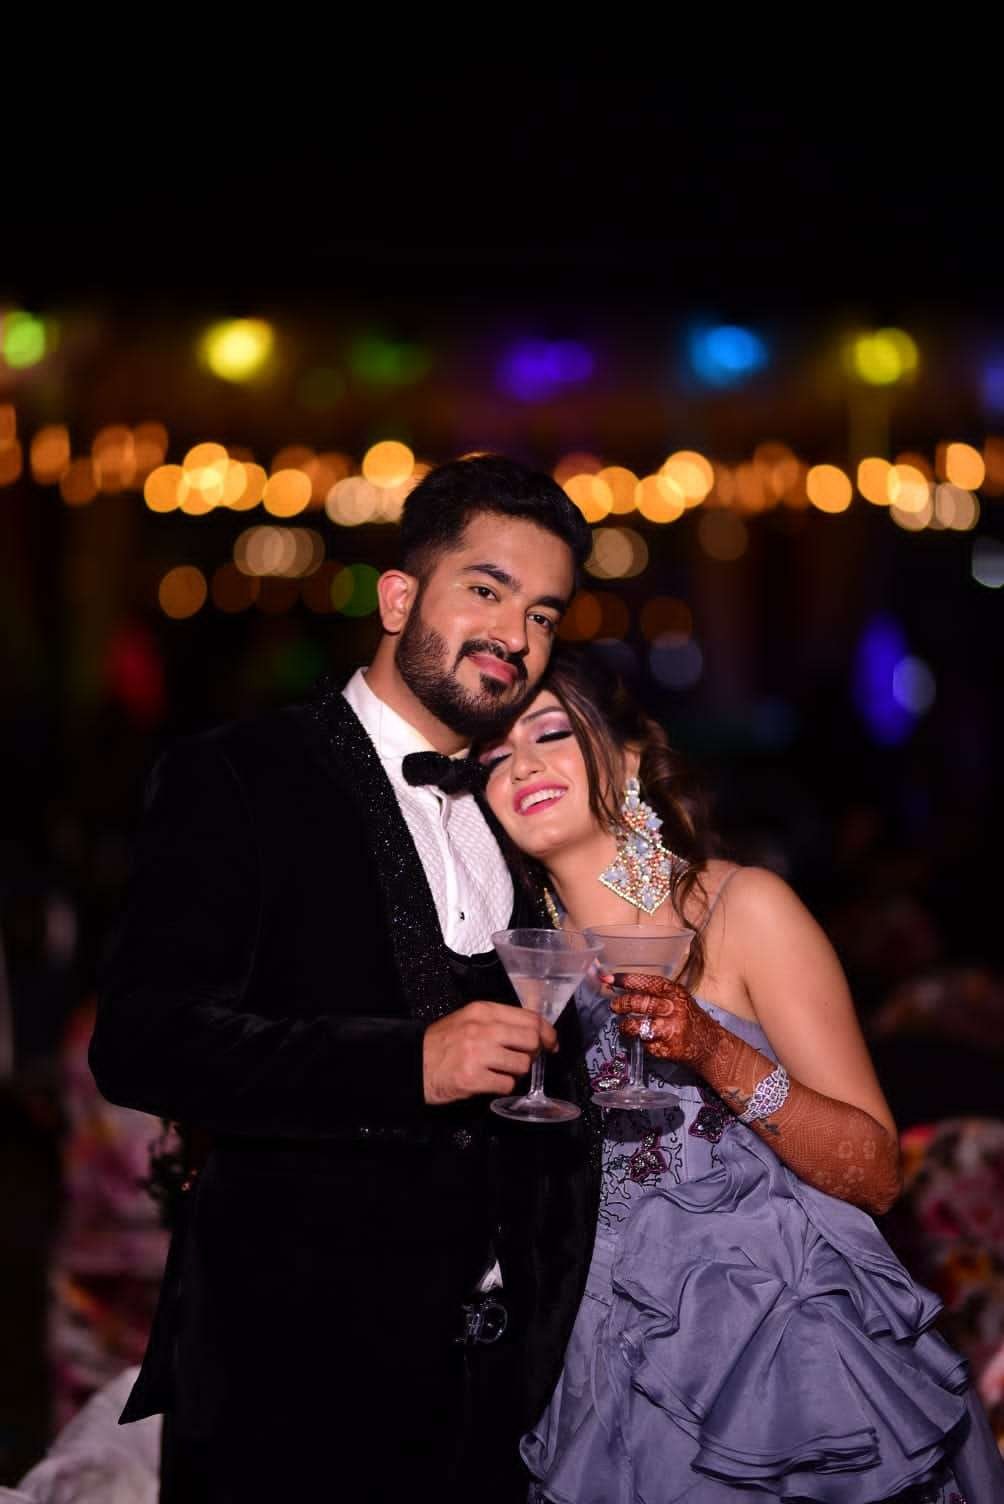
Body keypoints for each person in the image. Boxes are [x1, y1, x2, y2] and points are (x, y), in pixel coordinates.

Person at [87, 456, 600, 1503]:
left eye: (543, 614)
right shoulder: (240, 775)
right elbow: (142, 1040)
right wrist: (405, 1064)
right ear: (399, 596)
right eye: (487, 589)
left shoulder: (522, 809)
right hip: (291, 1381)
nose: (514, 634)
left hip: (499, 1395)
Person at [477, 649, 1004, 1504]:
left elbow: (874, 1172)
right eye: (494, 756)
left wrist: (714, 1050)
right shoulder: (507, 968)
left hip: (782, 1359)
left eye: (549, 733)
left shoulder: (740, 910)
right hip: (588, 1364)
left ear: (630, 761)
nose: (522, 765)